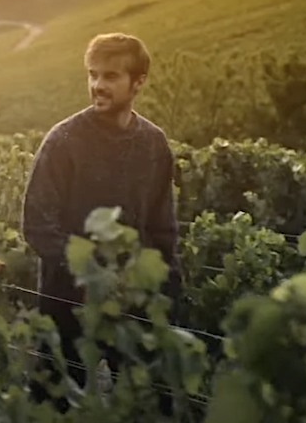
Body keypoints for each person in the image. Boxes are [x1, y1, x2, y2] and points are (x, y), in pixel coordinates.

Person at [21, 32, 181, 415]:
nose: (97, 85)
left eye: (110, 76)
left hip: (135, 309)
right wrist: (92, 274)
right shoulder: (63, 141)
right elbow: (37, 225)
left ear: (138, 82)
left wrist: (171, 300)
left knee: (147, 407)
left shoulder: (154, 144)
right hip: (67, 307)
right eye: (93, 75)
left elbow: (163, 232)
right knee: (54, 407)